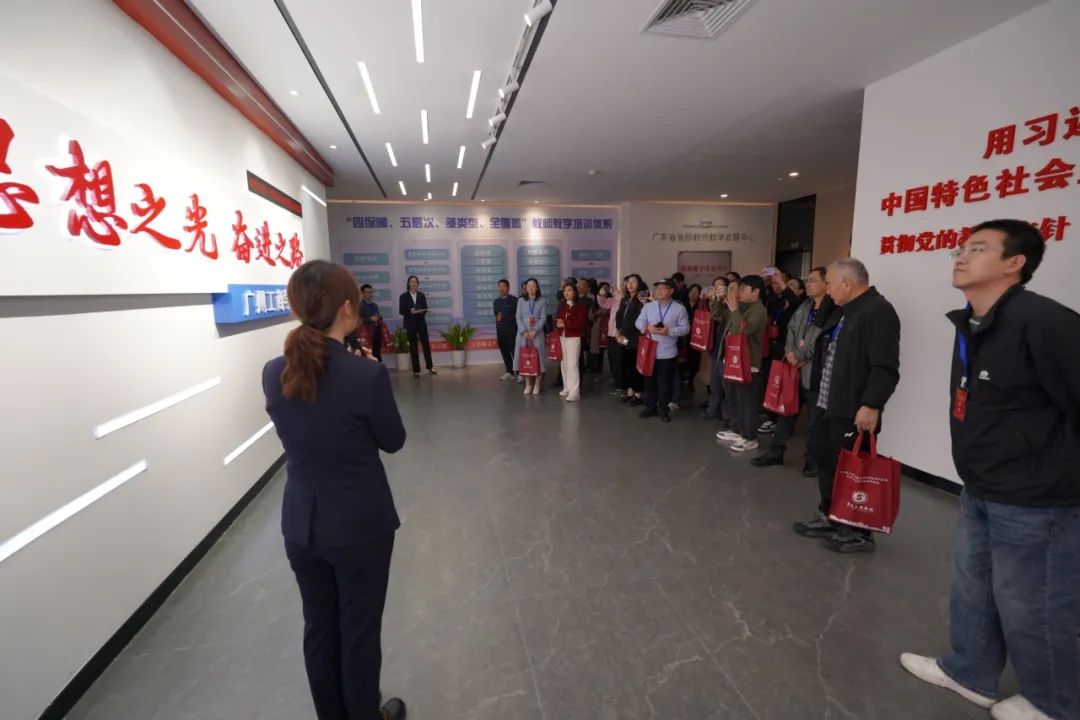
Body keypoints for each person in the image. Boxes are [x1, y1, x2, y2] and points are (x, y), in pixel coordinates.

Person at [899, 219, 1080, 720]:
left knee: (1034, 602)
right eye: (960, 248)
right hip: (981, 484)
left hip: (1037, 496)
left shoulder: (1044, 322)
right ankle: (970, 672)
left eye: (977, 248)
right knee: (974, 587)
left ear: (1014, 262)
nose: (961, 255)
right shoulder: (974, 323)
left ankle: (1054, 703)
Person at [262, 260, 407, 720]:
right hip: (360, 527)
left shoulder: (272, 372)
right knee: (359, 632)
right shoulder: (365, 375)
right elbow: (393, 440)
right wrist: (370, 376)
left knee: (320, 629)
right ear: (347, 308)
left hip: (301, 525)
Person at [793, 257, 900, 554]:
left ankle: (859, 531)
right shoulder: (845, 312)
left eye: (829, 284)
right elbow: (821, 333)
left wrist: (871, 404)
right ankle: (831, 515)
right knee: (828, 462)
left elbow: (885, 366)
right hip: (828, 403)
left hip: (853, 409)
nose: (826, 290)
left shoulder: (878, 311)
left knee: (855, 468)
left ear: (848, 284)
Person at [752, 267, 828, 472]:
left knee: (815, 420)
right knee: (785, 413)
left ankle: (812, 459)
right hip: (794, 370)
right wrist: (791, 354)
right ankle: (775, 452)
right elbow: (791, 332)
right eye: (807, 280)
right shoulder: (805, 306)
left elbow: (821, 340)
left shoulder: (831, 310)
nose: (808, 284)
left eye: (812, 281)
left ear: (826, 284)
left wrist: (801, 356)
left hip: (814, 374)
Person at [715, 276, 768, 451]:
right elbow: (717, 315)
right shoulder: (743, 307)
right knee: (734, 399)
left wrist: (734, 310)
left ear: (756, 292)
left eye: (744, 289)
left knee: (747, 402)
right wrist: (717, 301)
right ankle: (737, 430)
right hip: (734, 360)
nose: (740, 292)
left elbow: (744, 330)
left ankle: (750, 437)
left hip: (748, 362)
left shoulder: (759, 311)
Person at [635, 277, 690, 423]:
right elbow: (638, 322)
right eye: (657, 288)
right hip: (649, 351)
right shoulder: (649, 307)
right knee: (649, 382)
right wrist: (647, 327)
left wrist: (669, 331)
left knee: (665, 383)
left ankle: (663, 410)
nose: (658, 290)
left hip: (667, 352)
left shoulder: (679, 308)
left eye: (663, 288)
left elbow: (685, 329)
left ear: (671, 291)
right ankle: (650, 407)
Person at [701, 276, 730, 421]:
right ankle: (712, 411)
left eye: (721, 286)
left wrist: (716, 302)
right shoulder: (713, 302)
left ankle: (727, 416)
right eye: (715, 286)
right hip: (715, 347)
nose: (717, 289)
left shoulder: (731, 306)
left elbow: (719, 316)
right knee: (715, 383)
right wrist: (709, 301)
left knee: (726, 386)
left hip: (726, 350)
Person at [616, 274, 647, 405]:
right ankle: (630, 392)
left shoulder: (641, 300)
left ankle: (638, 394)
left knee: (636, 366)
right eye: (628, 282)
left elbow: (641, 321)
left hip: (636, 338)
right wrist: (619, 331)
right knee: (627, 365)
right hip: (624, 338)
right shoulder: (625, 300)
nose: (630, 285)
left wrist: (626, 334)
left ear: (639, 284)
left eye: (633, 282)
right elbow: (619, 317)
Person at [555, 282, 588, 401]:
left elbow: (581, 323)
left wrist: (565, 324)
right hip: (562, 336)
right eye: (565, 291)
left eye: (569, 290)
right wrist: (558, 322)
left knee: (572, 364)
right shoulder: (562, 305)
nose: (566, 293)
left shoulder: (580, 306)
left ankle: (575, 392)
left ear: (574, 292)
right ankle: (567, 387)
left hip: (573, 337)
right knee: (564, 363)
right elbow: (557, 318)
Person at [515, 277, 548, 396]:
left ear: (537, 288)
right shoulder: (520, 301)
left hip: (537, 334)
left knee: (538, 359)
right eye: (528, 286)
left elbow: (543, 318)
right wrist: (524, 331)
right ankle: (528, 384)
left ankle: (537, 384)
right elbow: (518, 317)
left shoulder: (542, 301)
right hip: (523, 334)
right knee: (525, 358)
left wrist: (535, 330)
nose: (530, 288)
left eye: (533, 286)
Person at [398, 276, 437, 378]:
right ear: (408, 283)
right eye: (412, 282)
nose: (414, 283)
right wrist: (410, 311)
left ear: (418, 284)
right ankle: (416, 370)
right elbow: (401, 311)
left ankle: (430, 367)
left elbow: (425, 308)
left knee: (426, 345)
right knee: (413, 346)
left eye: (415, 282)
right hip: (410, 324)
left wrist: (422, 312)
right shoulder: (403, 296)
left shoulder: (421, 295)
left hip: (421, 323)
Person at [345, 283, 382, 361]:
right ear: (362, 293)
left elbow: (378, 317)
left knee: (377, 354)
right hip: (364, 335)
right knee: (366, 355)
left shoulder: (375, 305)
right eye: (367, 292)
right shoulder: (359, 306)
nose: (369, 294)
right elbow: (357, 320)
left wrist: (379, 318)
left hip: (375, 333)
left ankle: (378, 367)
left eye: (371, 292)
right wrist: (370, 319)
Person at [493, 279, 519, 381]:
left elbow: (518, 316)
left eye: (503, 286)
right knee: (505, 354)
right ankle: (509, 372)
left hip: (513, 333)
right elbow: (497, 316)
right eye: (499, 286)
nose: (501, 288)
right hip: (501, 333)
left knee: (515, 354)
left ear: (508, 288)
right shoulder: (496, 302)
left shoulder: (514, 300)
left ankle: (520, 373)